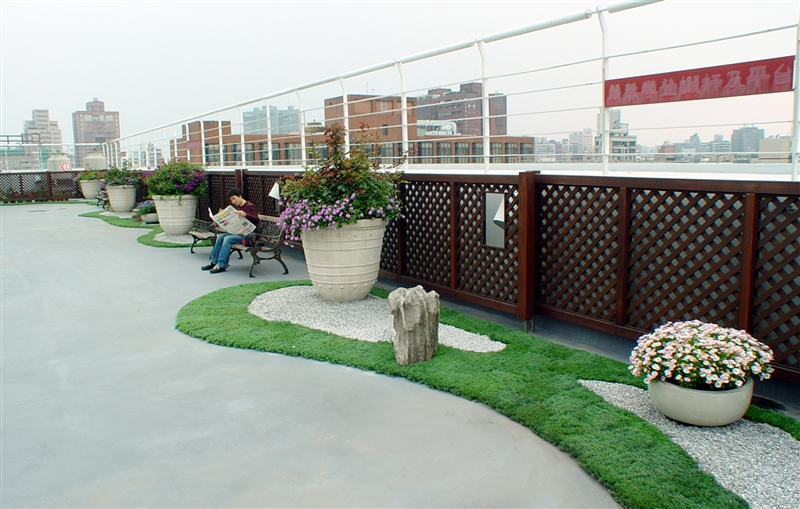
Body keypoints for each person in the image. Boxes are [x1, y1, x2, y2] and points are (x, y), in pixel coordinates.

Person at [202, 188, 260, 274]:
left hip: (249, 236)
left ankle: (222, 265)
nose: (233, 201)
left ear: (240, 196)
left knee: (228, 239)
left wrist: (245, 214)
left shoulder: (249, 206)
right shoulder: (238, 207)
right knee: (220, 236)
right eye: (231, 200)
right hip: (239, 233)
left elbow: (257, 220)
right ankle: (213, 262)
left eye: (234, 198)